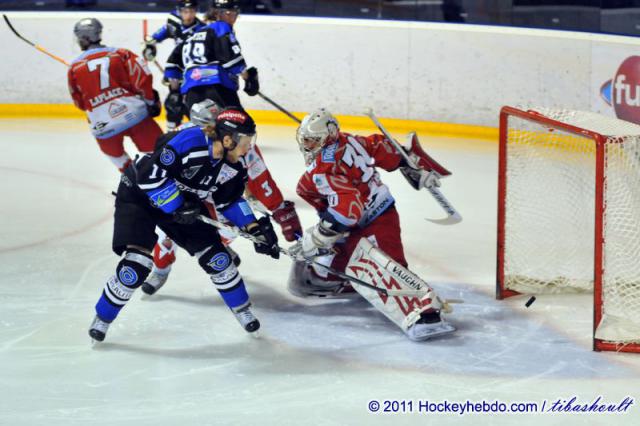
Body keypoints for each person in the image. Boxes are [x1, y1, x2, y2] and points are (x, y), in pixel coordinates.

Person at [88, 106, 281, 342]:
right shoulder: (191, 141)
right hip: (139, 196)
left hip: (182, 207)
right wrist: (177, 205)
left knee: (218, 258)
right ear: (228, 139)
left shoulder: (233, 167)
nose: (248, 147)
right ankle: (102, 318)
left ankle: (242, 309)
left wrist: (254, 228)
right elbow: (149, 176)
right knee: (136, 265)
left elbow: (229, 200)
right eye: (245, 141)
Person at [290, 108, 455, 341]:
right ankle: (348, 278)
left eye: (312, 140)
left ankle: (425, 314)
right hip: (364, 218)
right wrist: (412, 165)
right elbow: (382, 147)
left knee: (387, 269)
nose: (307, 146)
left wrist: (316, 237)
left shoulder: (324, 170)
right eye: (305, 140)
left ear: (328, 136)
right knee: (320, 274)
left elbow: (348, 211)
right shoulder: (349, 140)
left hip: (376, 219)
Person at [141, 99, 303, 295]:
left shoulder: (240, 144)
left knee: (230, 227)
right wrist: (170, 202)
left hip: (211, 193)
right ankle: (160, 268)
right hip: (179, 193)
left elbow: (254, 179)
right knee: (170, 232)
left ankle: (217, 244)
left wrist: (260, 221)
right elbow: (154, 171)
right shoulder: (182, 138)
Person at [67, 18, 163, 172]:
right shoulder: (120, 54)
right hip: (135, 115)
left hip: (103, 125)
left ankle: (133, 182)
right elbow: (142, 79)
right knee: (159, 153)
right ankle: (169, 184)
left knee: (117, 157)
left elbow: (80, 103)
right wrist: (151, 101)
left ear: (84, 38)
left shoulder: (74, 67)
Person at [164, 0, 259, 113]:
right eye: (230, 13)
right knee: (239, 125)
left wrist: (174, 92)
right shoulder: (221, 27)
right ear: (218, 14)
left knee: (202, 128)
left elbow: (172, 64)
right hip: (216, 87)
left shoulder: (194, 34)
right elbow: (231, 59)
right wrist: (248, 78)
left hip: (191, 92)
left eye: (235, 13)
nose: (234, 17)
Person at [142, 0, 205, 129]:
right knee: (174, 101)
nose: (189, 15)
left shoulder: (201, 29)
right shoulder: (174, 24)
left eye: (192, 11)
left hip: (195, 71)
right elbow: (154, 38)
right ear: (180, 11)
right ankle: (172, 132)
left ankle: (200, 131)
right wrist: (150, 48)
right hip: (177, 68)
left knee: (193, 105)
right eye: (185, 11)